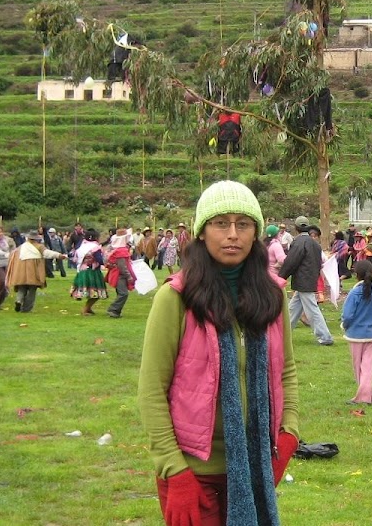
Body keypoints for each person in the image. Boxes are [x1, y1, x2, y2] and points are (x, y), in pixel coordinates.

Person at [137, 180, 299, 525]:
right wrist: (174, 470)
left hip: (256, 465)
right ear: (201, 232)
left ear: (255, 232)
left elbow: (285, 370)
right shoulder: (176, 298)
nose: (232, 234)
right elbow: (152, 390)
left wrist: (289, 434)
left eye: (243, 224)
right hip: (193, 471)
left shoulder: (272, 295)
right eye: (220, 223)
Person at [278, 217, 333, 346]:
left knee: (312, 309)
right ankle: (282, 334)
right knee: (292, 309)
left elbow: (291, 262)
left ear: (296, 228)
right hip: (310, 279)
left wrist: (281, 277)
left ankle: (325, 337)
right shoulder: (314, 243)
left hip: (302, 280)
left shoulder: (298, 242)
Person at [341, 260, 372, 405]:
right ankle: (368, 394)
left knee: (358, 366)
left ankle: (364, 396)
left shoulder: (355, 292)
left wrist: (345, 326)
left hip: (355, 335)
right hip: (371, 334)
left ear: (356, 275)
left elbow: (348, 315)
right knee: (368, 366)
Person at [5, 231, 67, 313]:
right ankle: (26, 309)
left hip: (20, 269)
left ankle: (19, 300)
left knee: (22, 287)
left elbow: (11, 255)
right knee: (32, 289)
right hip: (33, 269)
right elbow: (47, 253)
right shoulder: (39, 247)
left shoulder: (21, 247)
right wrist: (59, 255)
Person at [71, 230, 109, 316]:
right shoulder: (95, 247)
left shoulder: (81, 246)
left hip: (82, 271)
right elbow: (100, 259)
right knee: (95, 292)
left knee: (92, 292)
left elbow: (75, 259)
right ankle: (85, 309)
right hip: (92, 272)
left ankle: (88, 308)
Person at [105, 232, 136, 319]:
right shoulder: (121, 251)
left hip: (118, 274)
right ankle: (113, 309)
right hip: (119, 275)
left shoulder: (117, 249)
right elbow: (122, 266)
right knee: (123, 294)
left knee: (121, 293)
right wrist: (129, 276)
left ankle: (116, 311)